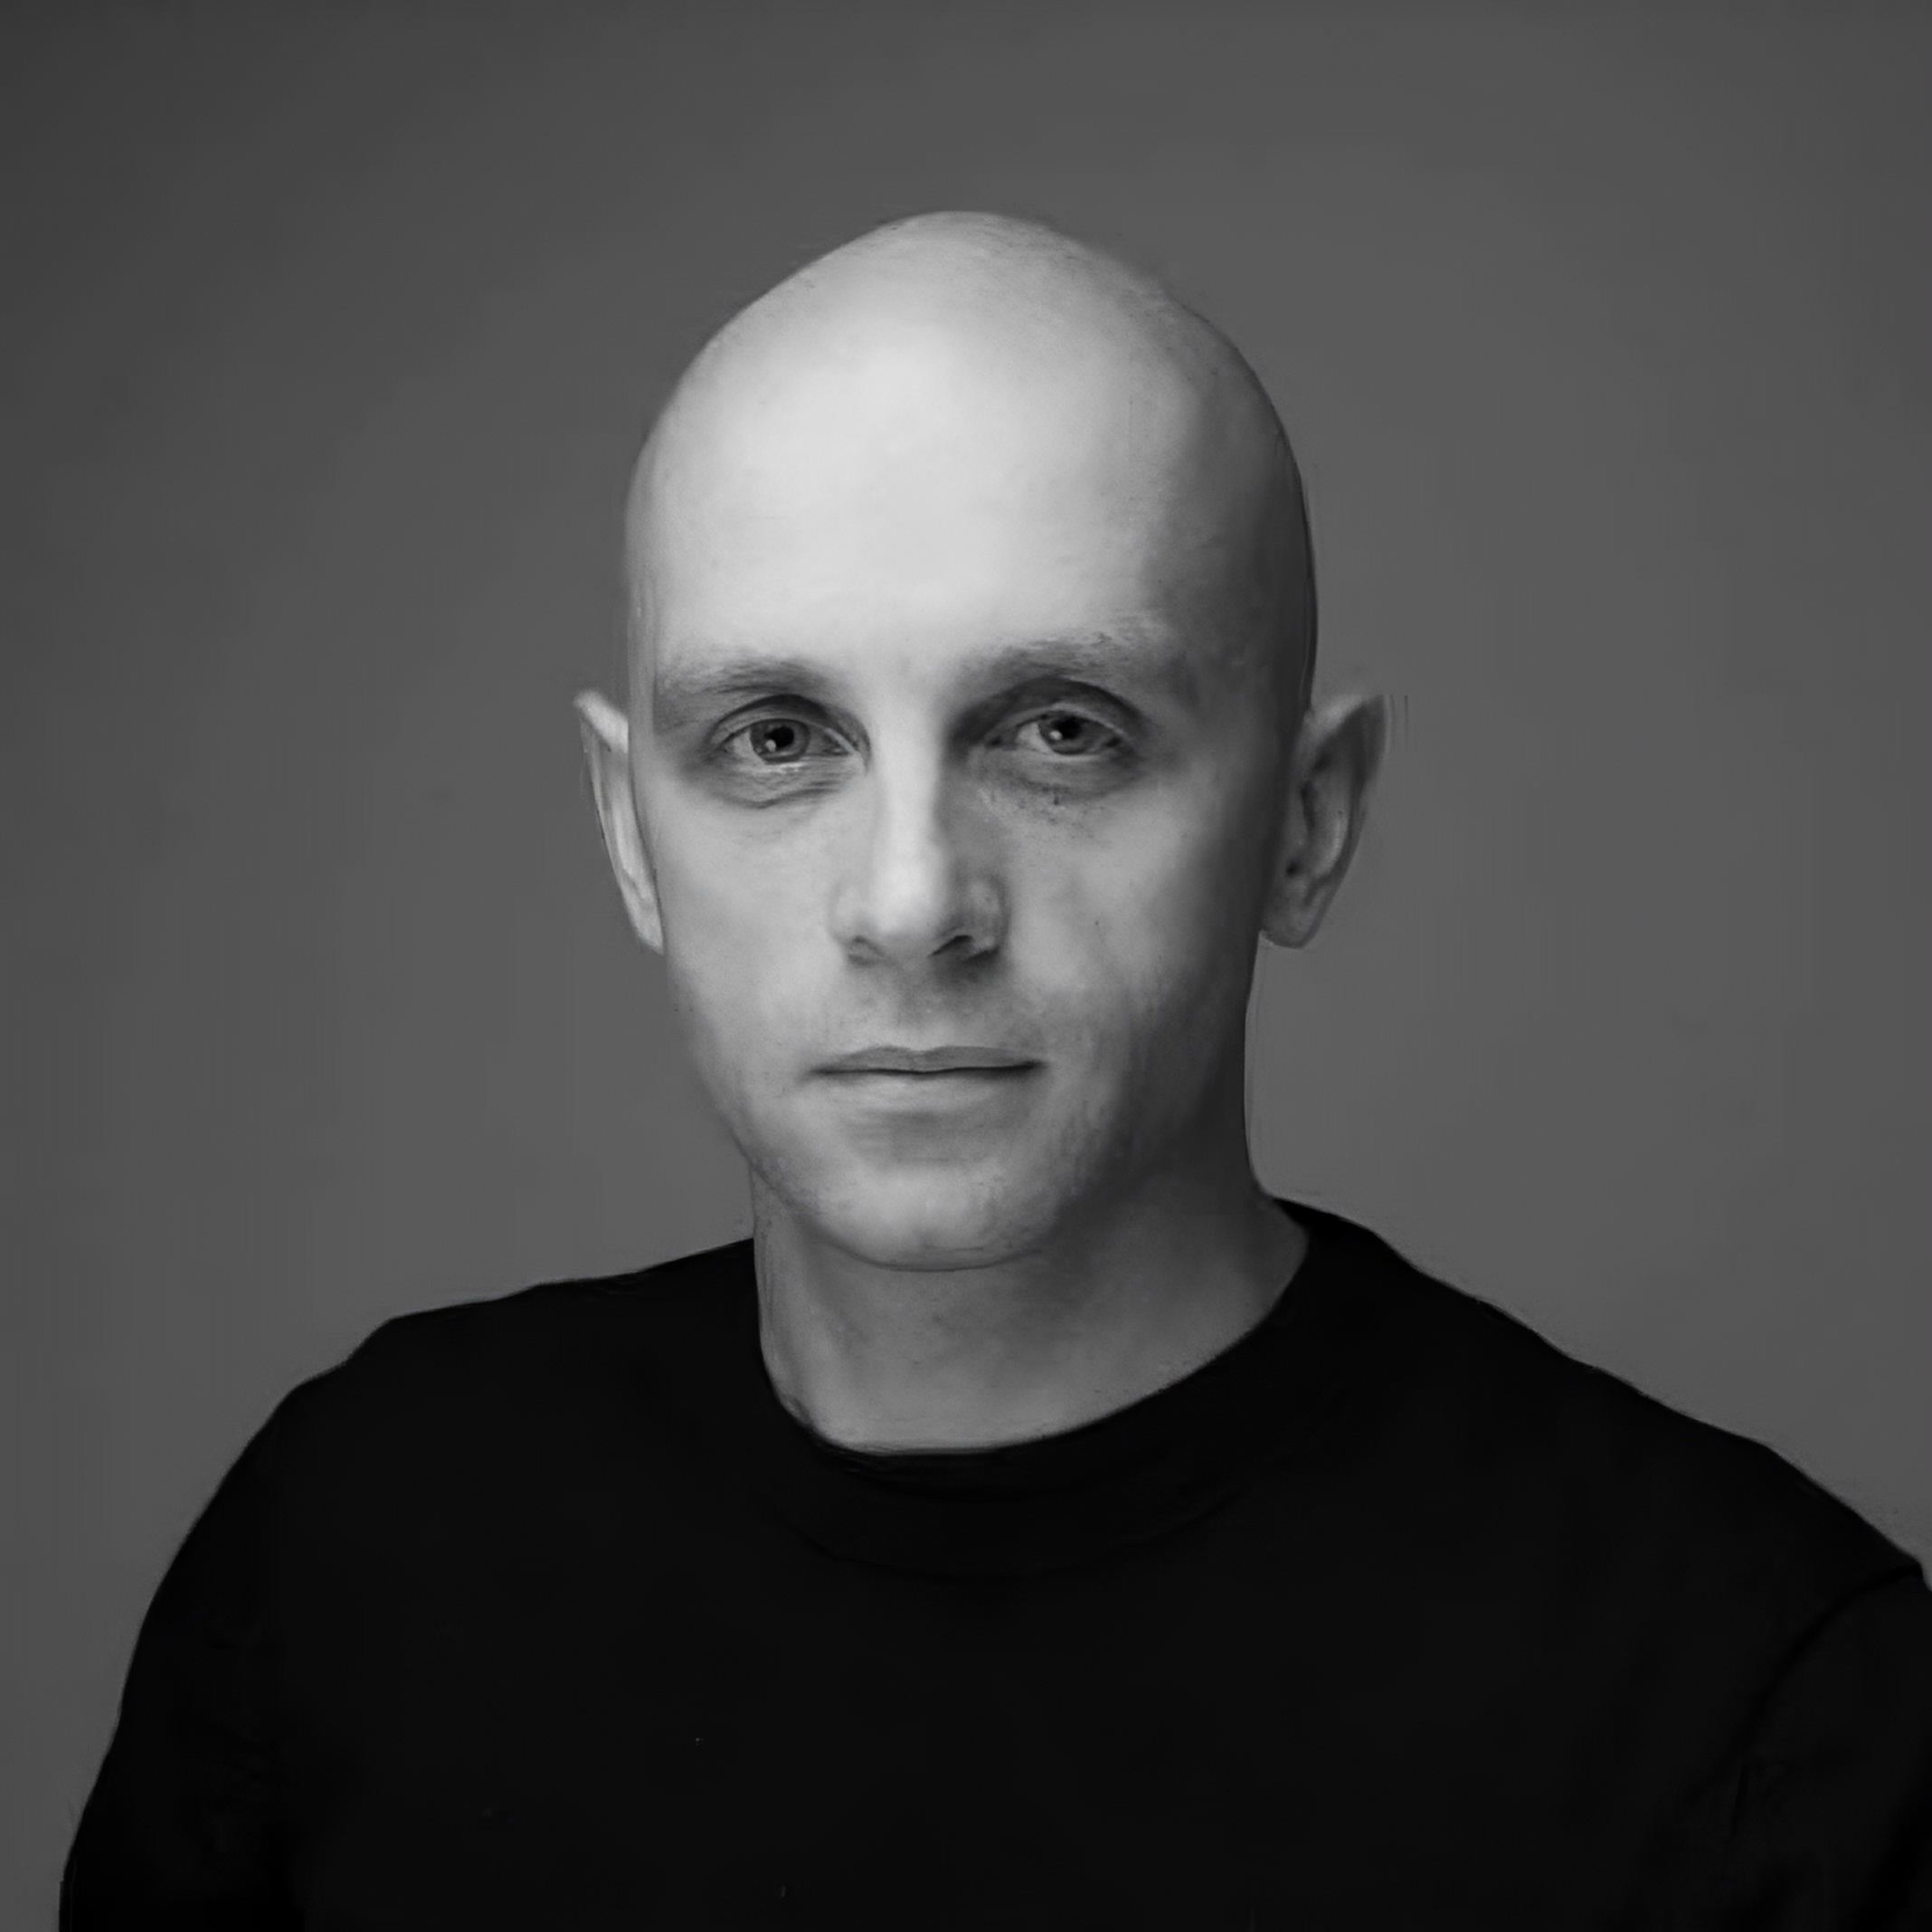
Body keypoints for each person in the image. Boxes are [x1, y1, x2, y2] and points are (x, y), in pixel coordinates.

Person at [62, 211, 1932, 1927]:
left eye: (1061, 732)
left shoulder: (1768, 1707)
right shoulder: (354, 1552)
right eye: (778, 739)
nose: (909, 904)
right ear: (630, 831)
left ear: (1305, 821)